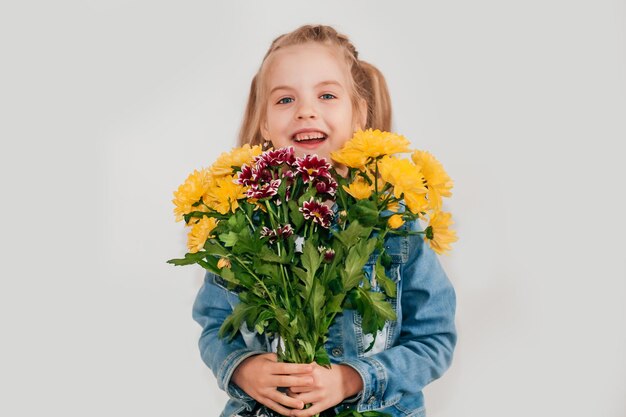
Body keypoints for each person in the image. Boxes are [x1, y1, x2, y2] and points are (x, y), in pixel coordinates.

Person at [192, 24, 457, 417]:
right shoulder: (240, 224)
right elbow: (215, 324)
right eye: (284, 100)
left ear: (358, 115)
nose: (306, 110)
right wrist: (242, 369)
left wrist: (353, 378)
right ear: (264, 125)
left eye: (327, 95)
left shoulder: (394, 225)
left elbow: (435, 339)